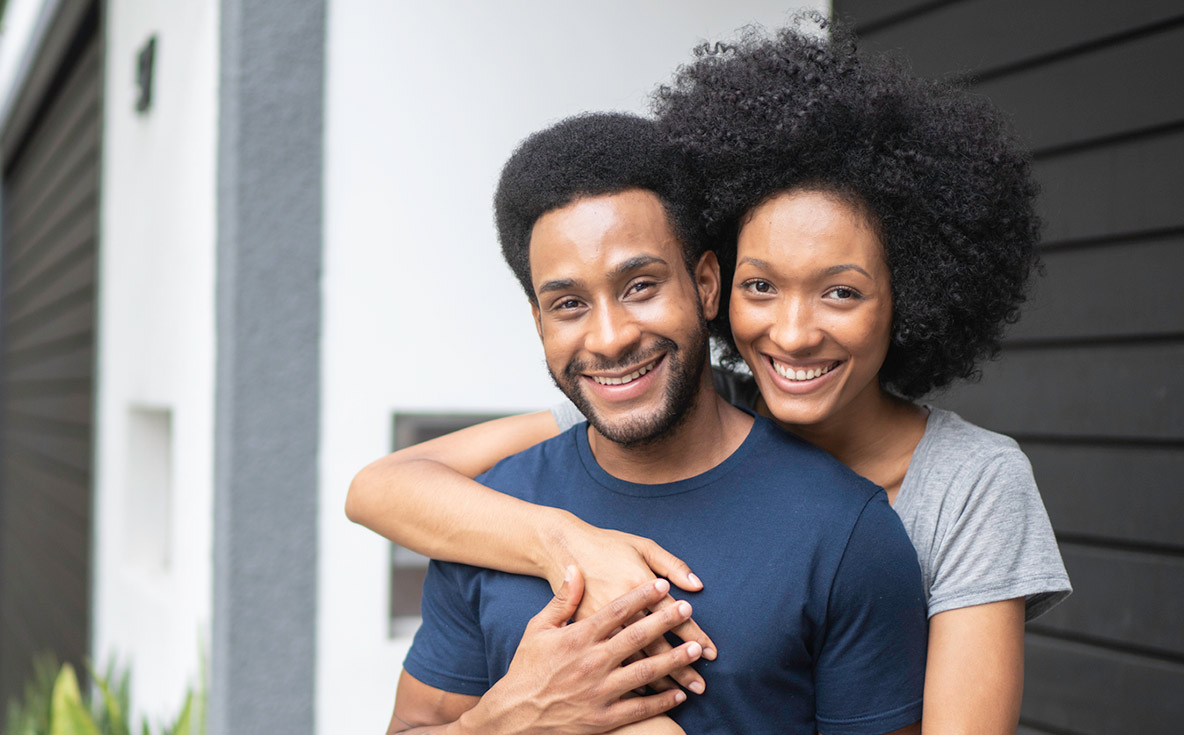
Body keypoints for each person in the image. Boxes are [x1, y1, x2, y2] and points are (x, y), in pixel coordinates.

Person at [351, 22, 1071, 734]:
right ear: (717, 284)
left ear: (909, 294)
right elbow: (382, 488)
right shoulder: (649, 408)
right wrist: (562, 548)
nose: (791, 332)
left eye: (841, 292)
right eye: (760, 287)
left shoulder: (962, 486)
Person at [387, 111, 927, 735]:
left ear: (704, 284)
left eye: (640, 286)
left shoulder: (847, 533)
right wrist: (509, 720)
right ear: (538, 322)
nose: (610, 338)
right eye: (568, 304)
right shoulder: (489, 518)